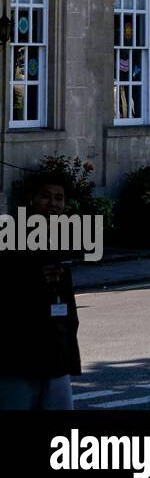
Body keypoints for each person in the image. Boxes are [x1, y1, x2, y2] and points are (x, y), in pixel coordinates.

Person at [0, 174, 81, 410]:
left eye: (59, 198)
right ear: (31, 199)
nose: (53, 204)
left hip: (55, 352)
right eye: (45, 196)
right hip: (17, 355)